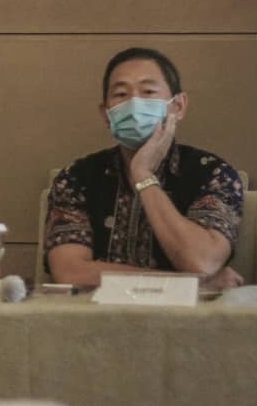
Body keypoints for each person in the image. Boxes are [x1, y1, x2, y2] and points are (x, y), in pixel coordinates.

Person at [44, 47, 245, 290]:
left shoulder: (213, 174)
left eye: (148, 91)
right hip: (95, 313)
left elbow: (202, 261)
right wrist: (189, 283)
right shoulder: (77, 178)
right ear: (106, 114)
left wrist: (143, 175)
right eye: (121, 94)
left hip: (185, 315)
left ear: (178, 106)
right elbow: (70, 272)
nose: (134, 103)